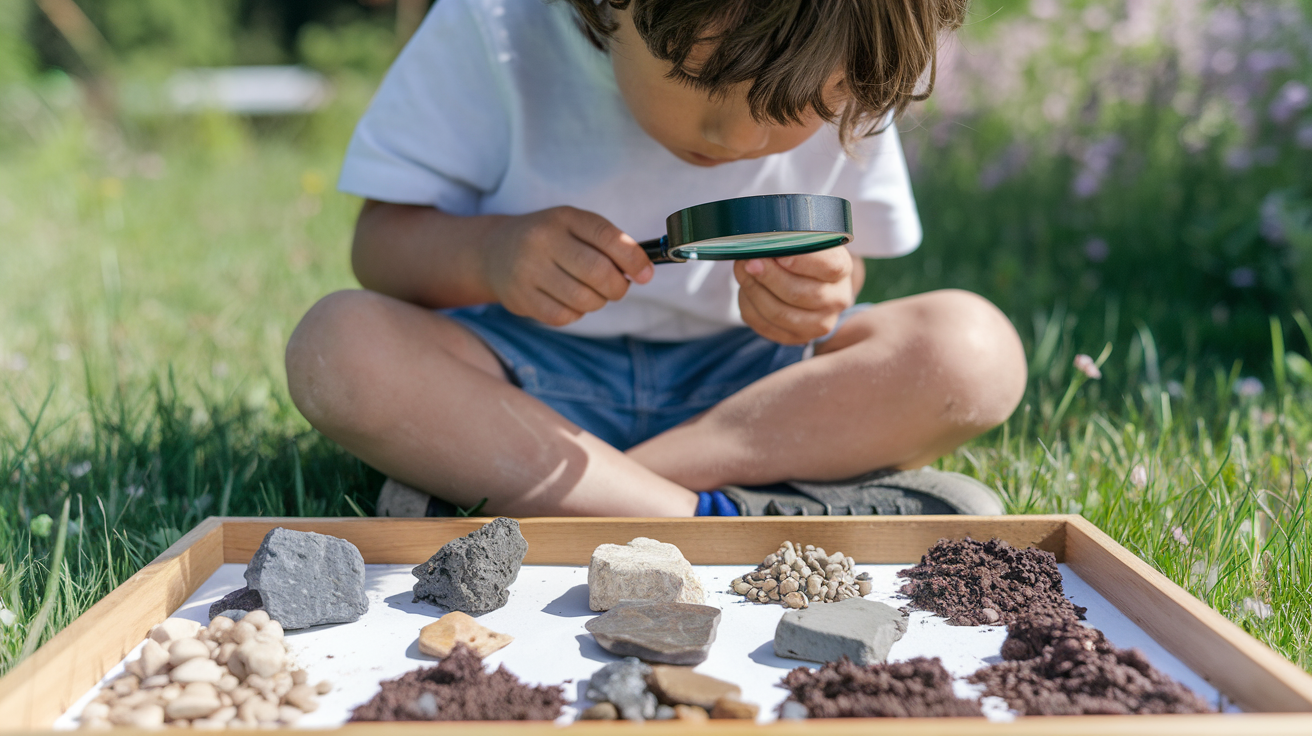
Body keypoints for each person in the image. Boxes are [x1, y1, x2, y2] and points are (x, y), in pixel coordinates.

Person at [285, 0, 1027, 518]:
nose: (737, 140)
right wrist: (492, 254)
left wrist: (826, 290)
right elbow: (379, 244)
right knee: (338, 346)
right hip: (527, 384)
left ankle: (558, 495)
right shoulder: (495, 24)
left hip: (746, 396)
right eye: (703, 80)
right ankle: (709, 517)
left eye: (804, 104)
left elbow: (849, 257)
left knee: (973, 352)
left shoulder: (852, 35)